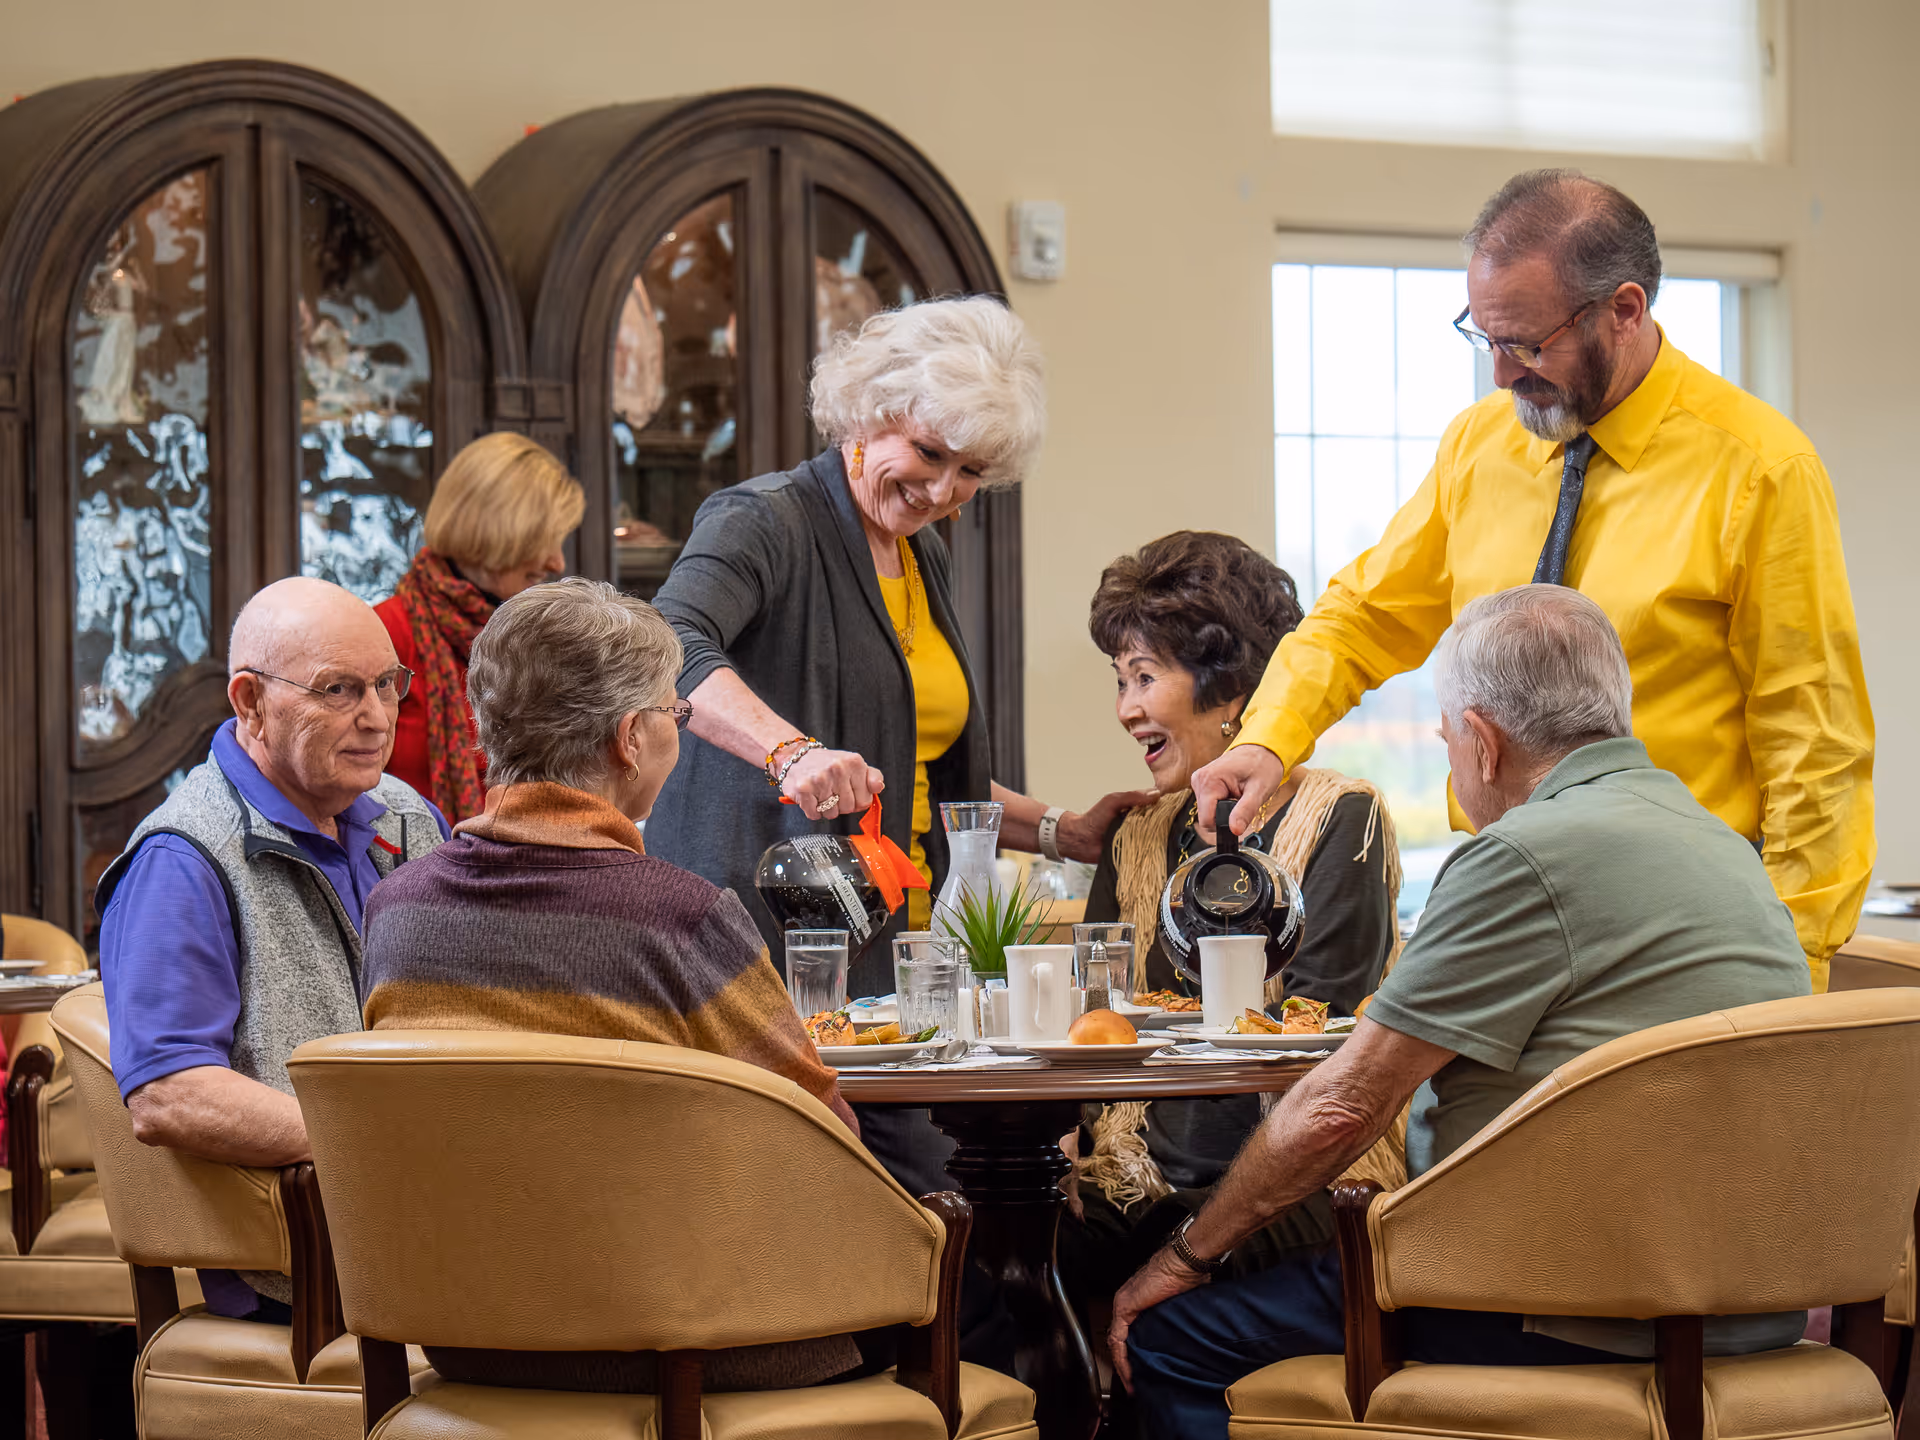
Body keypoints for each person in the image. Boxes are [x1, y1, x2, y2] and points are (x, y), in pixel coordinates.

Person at [1113, 586, 1812, 1439]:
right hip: (1755, 1298)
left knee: (1169, 1333)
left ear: (1482, 741)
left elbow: (1341, 1107)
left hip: (1564, 1309)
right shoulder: (1725, 846)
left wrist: (1180, 1258)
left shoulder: (1522, 856)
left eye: (1447, 744)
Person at [1192, 169, 1872, 988]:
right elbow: (1363, 615)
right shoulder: (1478, 447)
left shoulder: (1760, 471)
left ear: (1625, 310)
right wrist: (1269, 737)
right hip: (1504, 894)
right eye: (1485, 338)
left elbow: (1815, 746)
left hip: (1676, 920)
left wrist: (1791, 963)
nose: (1503, 376)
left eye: (1527, 343)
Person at [360, 577, 860, 1392]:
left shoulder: (394, 910)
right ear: (631, 738)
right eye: (678, 715)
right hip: (680, 1346)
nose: (679, 735)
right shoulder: (680, 918)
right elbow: (824, 1143)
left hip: (467, 1338)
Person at [647, 296, 1145, 998]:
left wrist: (1061, 832)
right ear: (868, 414)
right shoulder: (761, 521)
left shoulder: (921, 557)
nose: (942, 490)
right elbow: (665, 648)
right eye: (928, 453)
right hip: (759, 945)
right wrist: (789, 753)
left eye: (970, 471)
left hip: (901, 944)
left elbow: (911, 767)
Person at [1060, 532, 1399, 1349]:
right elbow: (1092, 1018)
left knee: (1159, 1291)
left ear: (1228, 691)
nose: (1126, 708)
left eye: (1145, 678)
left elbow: (1319, 1036)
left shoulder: (1341, 815)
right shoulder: (1135, 835)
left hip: (1300, 1180)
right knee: (1012, 1265)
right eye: (1121, 681)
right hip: (1132, 1178)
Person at [95, 577, 449, 1323]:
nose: (378, 718)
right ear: (250, 701)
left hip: (432, 1223)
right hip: (305, 1271)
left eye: (388, 685)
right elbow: (171, 1094)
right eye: (339, 690)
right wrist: (393, 1145)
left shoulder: (409, 818)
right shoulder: (182, 858)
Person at [375, 432, 584, 823]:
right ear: (494, 527)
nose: (557, 562)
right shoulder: (384, 636)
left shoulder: (541, 641)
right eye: (545, 538)